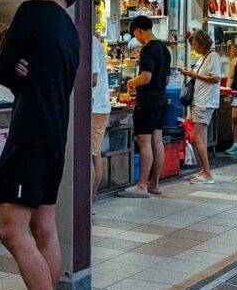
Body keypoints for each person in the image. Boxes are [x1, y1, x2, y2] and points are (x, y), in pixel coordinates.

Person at [0, 0, 87, 290]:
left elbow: (2, 71)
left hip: (28, 136)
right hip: (54, 138)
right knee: (43, 227)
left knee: (11, 231)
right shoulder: (72, 32)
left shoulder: (31, 11)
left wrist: (18, 73)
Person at [120, 15, 172, 197]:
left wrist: (131, 82)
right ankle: (154, 184)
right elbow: (166, 79)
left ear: (139, 30)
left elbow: (146, 77)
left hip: (148, 102)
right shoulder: (165, 50)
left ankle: (141, 185)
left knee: (144, 143)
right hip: (161, 101)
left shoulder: (148, 49)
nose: (137, 38)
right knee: (157, 141)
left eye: (135, 35)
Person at [179, 29, 221, 185]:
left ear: (203, 43)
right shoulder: (203, 58)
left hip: (205, 102)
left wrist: (193, 75)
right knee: (197, 138)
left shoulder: (213, 56)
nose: (194, 48)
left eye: (196, 45)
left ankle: (207, 173)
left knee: (198, 138)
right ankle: (204, 170)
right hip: (198, 101)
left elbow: (215, 78)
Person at [90, 14, 112, 211]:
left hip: (94, 108)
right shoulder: (92, 42)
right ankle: (88, 201)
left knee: (89, 155)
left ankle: (87, 202)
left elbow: (92, 78)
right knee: (93, 155)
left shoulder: (90, 42)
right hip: (96, 107)